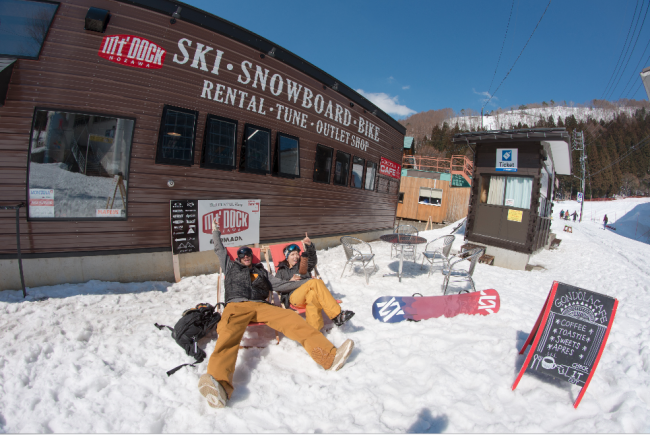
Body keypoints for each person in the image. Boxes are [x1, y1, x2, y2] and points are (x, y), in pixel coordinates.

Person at [198, 218, 355, 409]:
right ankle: (219, 385)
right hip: (236, 306)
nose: (246, 256)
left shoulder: (262, 272)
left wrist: (306, 282)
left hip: (261, 305)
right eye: (242, 254)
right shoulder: (230, 266)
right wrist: (216, 232)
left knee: (291, 318)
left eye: (248, 253)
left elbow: (282, 285)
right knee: (228, 335)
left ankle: (328, 357)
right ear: (237, 257)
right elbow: (219, 249)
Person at [274, 234, 355, 331]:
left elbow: (312, 260)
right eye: (292, 254)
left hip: (308, 293)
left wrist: (309, 246)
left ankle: (314, 332)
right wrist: (290, 281)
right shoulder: (282, 270)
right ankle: (337, 315)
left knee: (312, 296)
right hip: (294, 297)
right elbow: (277, 286)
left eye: (297, 254)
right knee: (315, 282)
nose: (296, 256)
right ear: (287, 257)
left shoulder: (302, 265)